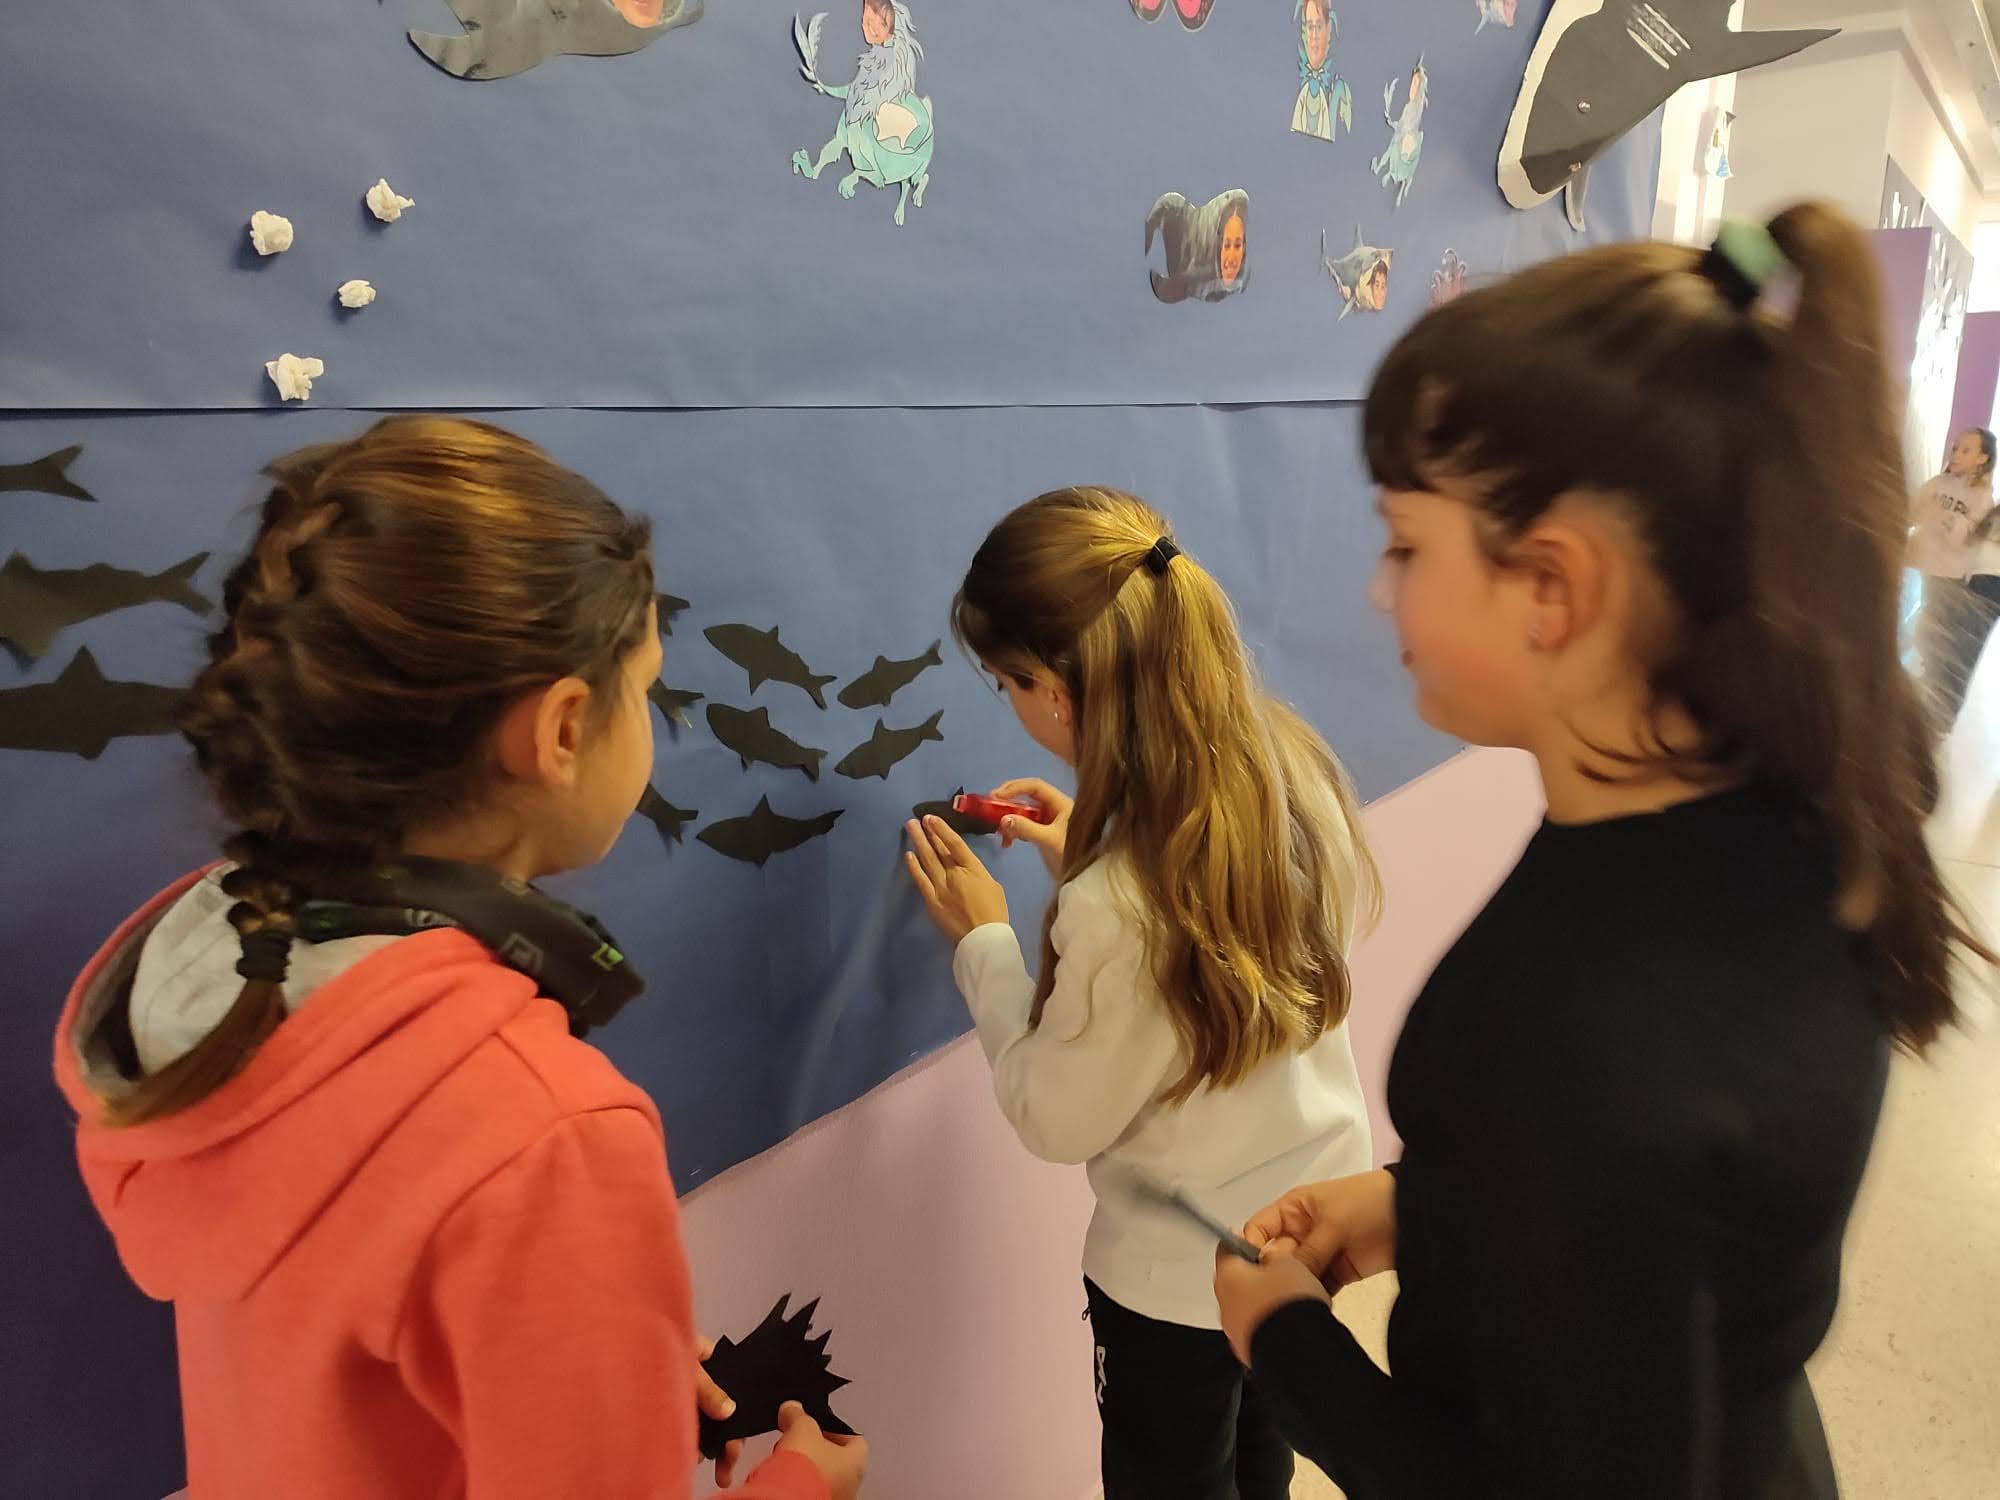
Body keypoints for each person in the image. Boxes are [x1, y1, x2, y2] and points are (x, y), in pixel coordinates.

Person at [1212, 208, 1993, 1497]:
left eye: (1403, 544)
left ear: (1551, 588)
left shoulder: (1596, 1040)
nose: (1376, 588)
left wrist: (1285, 1344)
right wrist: (1430, 1207)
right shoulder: (1758, 823)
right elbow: (1660, 1228)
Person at [52, 417, 866, 1500]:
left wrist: (579, 1368)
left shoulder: (222, 987)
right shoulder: (548, 1136)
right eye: (646, 689)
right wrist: (800, 1485)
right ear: (562, 729)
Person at [901, 487, 1378, 1500]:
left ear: (1055, 695)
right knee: (1263, 1447)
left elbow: (1055, 1114)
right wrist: (1096, 838)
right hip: (1304, 1229)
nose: (1010, 702)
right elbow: (1212, 931)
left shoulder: (1118, 904)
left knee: (1172, 1477)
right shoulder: (1291, 767)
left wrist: (985, 943)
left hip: (1174, 1279)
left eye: (1005, 683)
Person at [1907, 427, 1995, 729]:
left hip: (1949, 578)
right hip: (1919, 566)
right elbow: (1911, 512)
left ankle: (1932, 710)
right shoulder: (1938, 483)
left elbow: (1960, 542)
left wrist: (1951, 522)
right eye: (1955, 447)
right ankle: (1917, 691)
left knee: (1935, 639)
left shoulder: (1983, 499)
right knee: (1920, 632)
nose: (1955, 454)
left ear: (1983, 458)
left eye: (1966, 450)